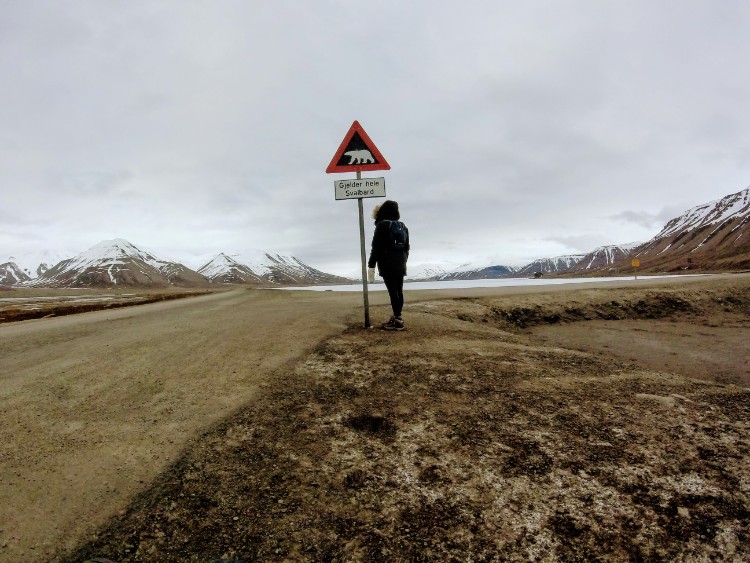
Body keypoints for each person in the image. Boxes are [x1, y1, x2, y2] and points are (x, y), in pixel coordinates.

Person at [367, 200, 409, 330]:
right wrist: (403, 260)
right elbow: (407, 247)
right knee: (398, 291)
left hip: (387, 263)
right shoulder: (402, 225)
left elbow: (376, 248)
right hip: (401, 262)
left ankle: (397, 320)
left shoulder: (381, 226)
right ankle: (398, 317)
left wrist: (371, 266)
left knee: (392, 292)